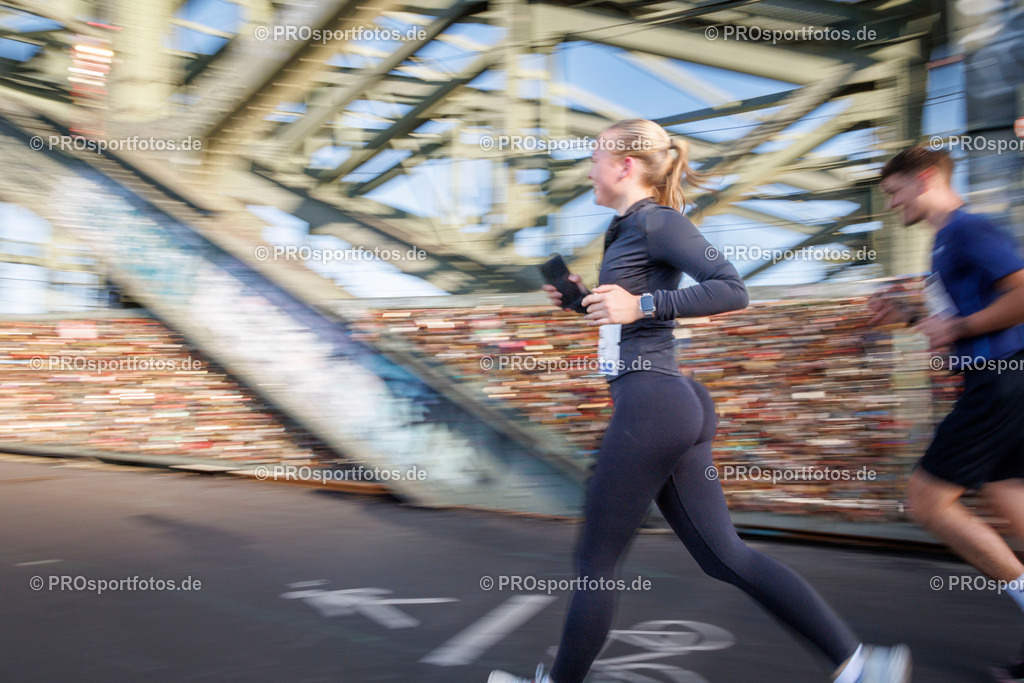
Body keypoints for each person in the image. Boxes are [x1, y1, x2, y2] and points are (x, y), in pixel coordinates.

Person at [488, 119, 911, 683]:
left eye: (594, 157)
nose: (587, 168)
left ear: (624, 165)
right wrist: (581, 301)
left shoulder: (658, 221)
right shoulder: (625, 230)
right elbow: (627, 316)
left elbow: (732, 288)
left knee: (596, 563)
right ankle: (861, 668)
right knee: (723, 556)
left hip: (654, 405)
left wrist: (642, 306)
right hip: (668, 403)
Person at [869, 143, 1024, 682]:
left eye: (893, 193)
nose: (891, 206)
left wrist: (956, 329)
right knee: (1011, 500)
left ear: (925, 179)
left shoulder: (966, 229)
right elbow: (963, 318)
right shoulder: (944, 242)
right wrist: (913, 315)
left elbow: (1022, 293)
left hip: (1001, 382)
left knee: (926, 503)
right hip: (1004, 382)